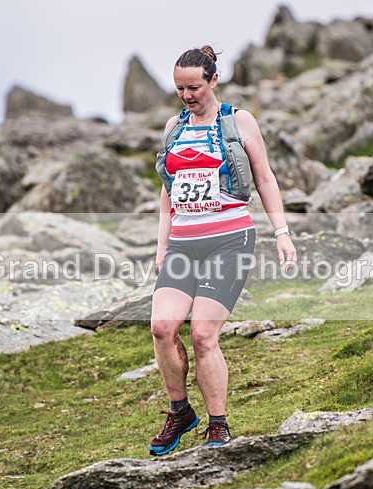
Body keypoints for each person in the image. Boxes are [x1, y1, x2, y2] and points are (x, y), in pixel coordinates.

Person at [149, 45, 297, 456]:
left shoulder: (239, 121)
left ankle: (219, 425)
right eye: (179, 88)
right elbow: (168, 194)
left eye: (193, 86)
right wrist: (162, 246)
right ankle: (180, 412)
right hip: (183, 242)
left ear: (213, 81)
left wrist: (281, 232)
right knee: (162, 328)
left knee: (202, 333)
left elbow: (265, 179)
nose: (186, 95)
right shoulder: (173, 127)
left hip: (229, 239)